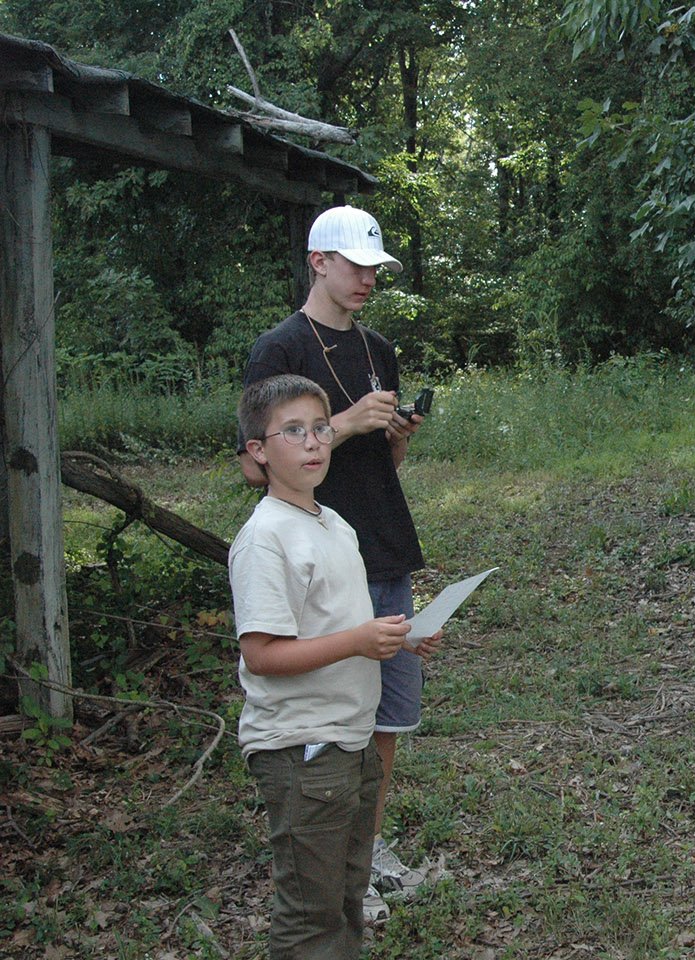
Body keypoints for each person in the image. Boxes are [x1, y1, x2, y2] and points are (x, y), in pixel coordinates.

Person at [239, 205, 432, 922]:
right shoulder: (278, 349)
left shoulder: (378, 347)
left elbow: (383, 463)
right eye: (354, 266)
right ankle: (329, 868)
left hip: (380, 542)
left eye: (375, 270)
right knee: (330, 713)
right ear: (317, 260)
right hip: (317, 553)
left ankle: (369, 845)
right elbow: (254, 470)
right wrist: (345, 423)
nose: (366, 281)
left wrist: (396, 434)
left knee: (385, 719)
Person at [230, 374, 442, 958]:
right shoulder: (266, 540)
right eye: (292, 431)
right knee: (310, 916)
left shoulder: (334, 523)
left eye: (320, 428)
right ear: (258, 452)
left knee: (347, 895)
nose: (313, 442)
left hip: (351, 743)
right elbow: (263, 655)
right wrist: (358, 640)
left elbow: (336, 627)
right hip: (303, 750)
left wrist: (400, 639)